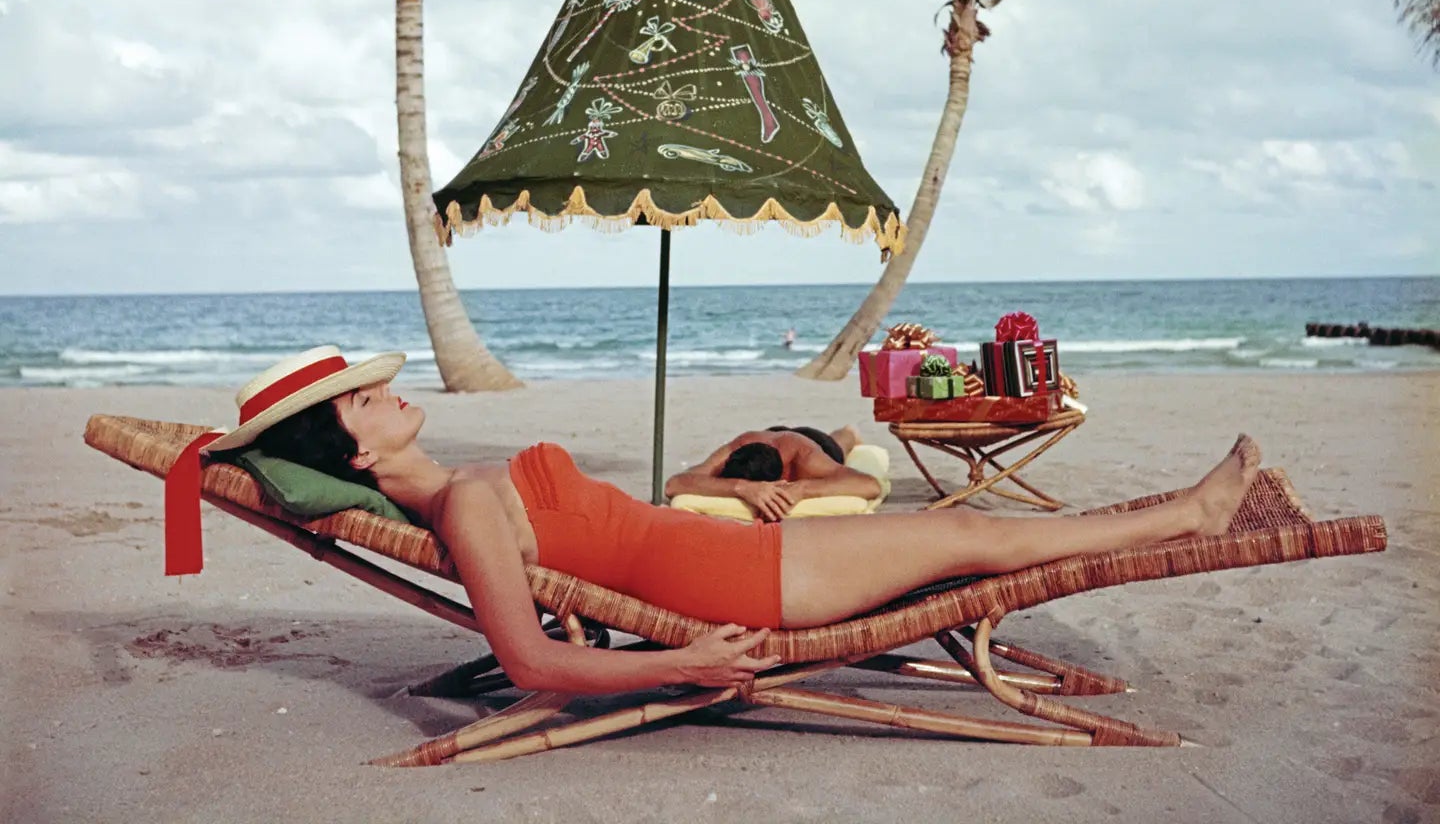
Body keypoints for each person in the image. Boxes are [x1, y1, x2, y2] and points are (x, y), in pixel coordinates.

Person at [180, 347, 1261, 696]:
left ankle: (1182, 515)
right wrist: (684, 664)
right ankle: (1193, 515)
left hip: (733, 552)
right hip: (735, 587)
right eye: (363, 402)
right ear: (359, 455)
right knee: (978, 539)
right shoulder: (463, 502)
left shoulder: (461, 488)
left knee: (974, 538)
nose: (385, 391)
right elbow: (529, 661)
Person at [663, 424, 878, 521]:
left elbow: (870, 485)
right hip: (769, 435)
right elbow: (674, 484)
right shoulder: (735, 449)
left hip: (812, 441)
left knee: (840, 443)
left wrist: (802, 488)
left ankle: (849, 431)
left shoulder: (805, 460)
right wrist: (741, 488)